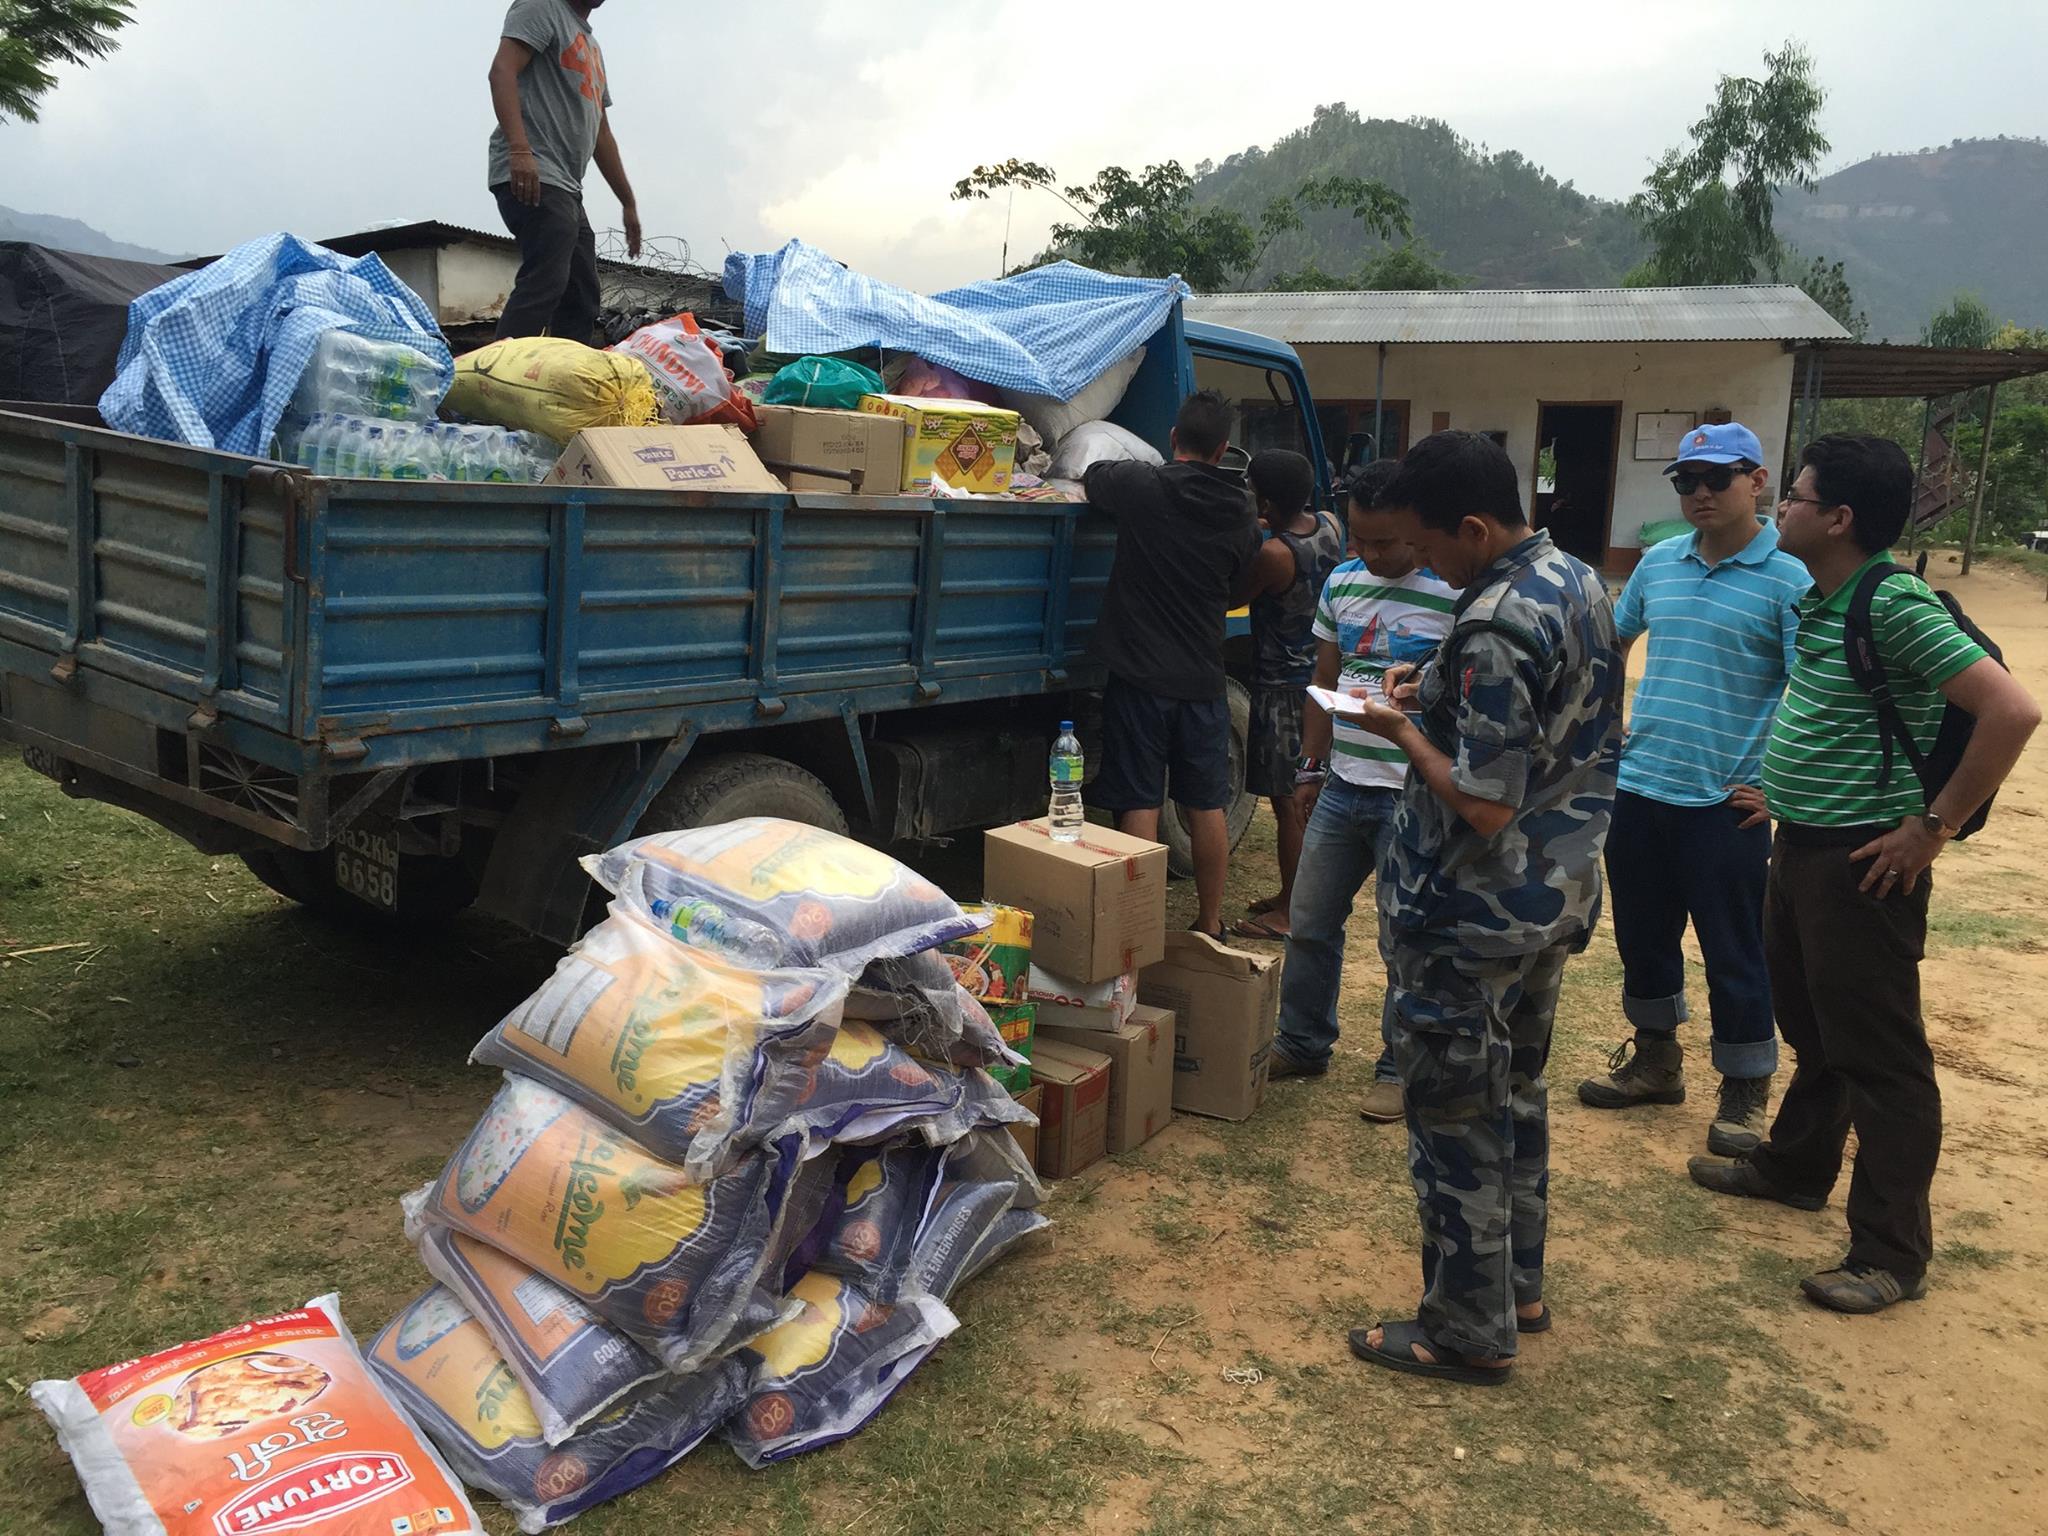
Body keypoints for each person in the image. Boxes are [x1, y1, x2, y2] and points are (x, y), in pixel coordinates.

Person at [1690, 434, 2039, 1314]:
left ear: (1839, 518)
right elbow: (1838, 715)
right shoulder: (1825, 596)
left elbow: (2012, 709)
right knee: (1815, 1026)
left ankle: (1890, 1252)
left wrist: (1933, 827)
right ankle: (1796, 1166)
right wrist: (1789, 790)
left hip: (1863, 870)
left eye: (1795, 496)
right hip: (1804, 846)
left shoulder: (1893, 603)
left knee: (1882, 1061)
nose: (1781, 508)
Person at [1341, 431, 1622, 1385]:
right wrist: (1443, 697)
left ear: (1471, 525)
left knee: (1456, 1114)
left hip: (1473, 911)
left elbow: (1484, 800)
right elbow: (1550, 720)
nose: (1423, 565)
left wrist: (1402, 729)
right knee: (1519, 1095)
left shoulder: (1495, 622)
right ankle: (1520, 1287)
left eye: (1428, 547)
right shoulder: (1575, 580)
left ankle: (1465, 1328)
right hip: (1552, 896)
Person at [1576, 422, 1810, 1157]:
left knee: (1735, 949)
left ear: (1757, 481)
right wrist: (1605, 732)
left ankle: (1743, 1089)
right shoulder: (1658, 564)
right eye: (1687, 481)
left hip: (1727, 804)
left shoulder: (1792, 580)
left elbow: (1815, 688)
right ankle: (1655, 1062)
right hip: (1642, 789)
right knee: (1644, 939)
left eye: (1718, 478)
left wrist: (1779, 785)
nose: (1701, 493)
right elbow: (1613, 641)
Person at [1266, 461, 1459, 1127]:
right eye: (1360, 540)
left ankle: (1396, 1067)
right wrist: (1311, 768)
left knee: (1403, 939)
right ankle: (1302, 1041)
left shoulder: (1452, 592)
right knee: (1311, 922)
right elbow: (1325, 675)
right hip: (1344, 785)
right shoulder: (1342, 583)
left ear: (1415, 529)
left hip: (1413, 795)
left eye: (1386, 542)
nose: (1372, 554)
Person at [1083, 390, 1260, 940]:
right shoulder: (1243, 512)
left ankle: (1135, 931)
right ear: (1225, 449)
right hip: (1204, 682)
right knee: (1205, 805)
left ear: (1173, 439)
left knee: (1138, 800)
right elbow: (1237, 585)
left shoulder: (1145, 486)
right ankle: (1209, 923)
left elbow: (1093, 475)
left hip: (1139, 680)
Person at [1231, 449, 1345, 942]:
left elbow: (1233, 596)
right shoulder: (1330, 525)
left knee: (1288, 803)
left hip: (1282, 689)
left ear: (1267, 502)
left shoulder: (1275, 554)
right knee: (1307, 798)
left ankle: (1292, 913)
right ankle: (1291, 895)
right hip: (1322, 677)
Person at [486, 0, 641, 343]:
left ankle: (565, 380)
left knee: (581, 293)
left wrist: (628, 202)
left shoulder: (592, 47)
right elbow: (502, 71)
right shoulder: (542, 7)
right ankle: (497, 378)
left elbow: (601, 132)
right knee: (547, 280)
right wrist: (520, 150)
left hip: (567, 187)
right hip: (535, 171)